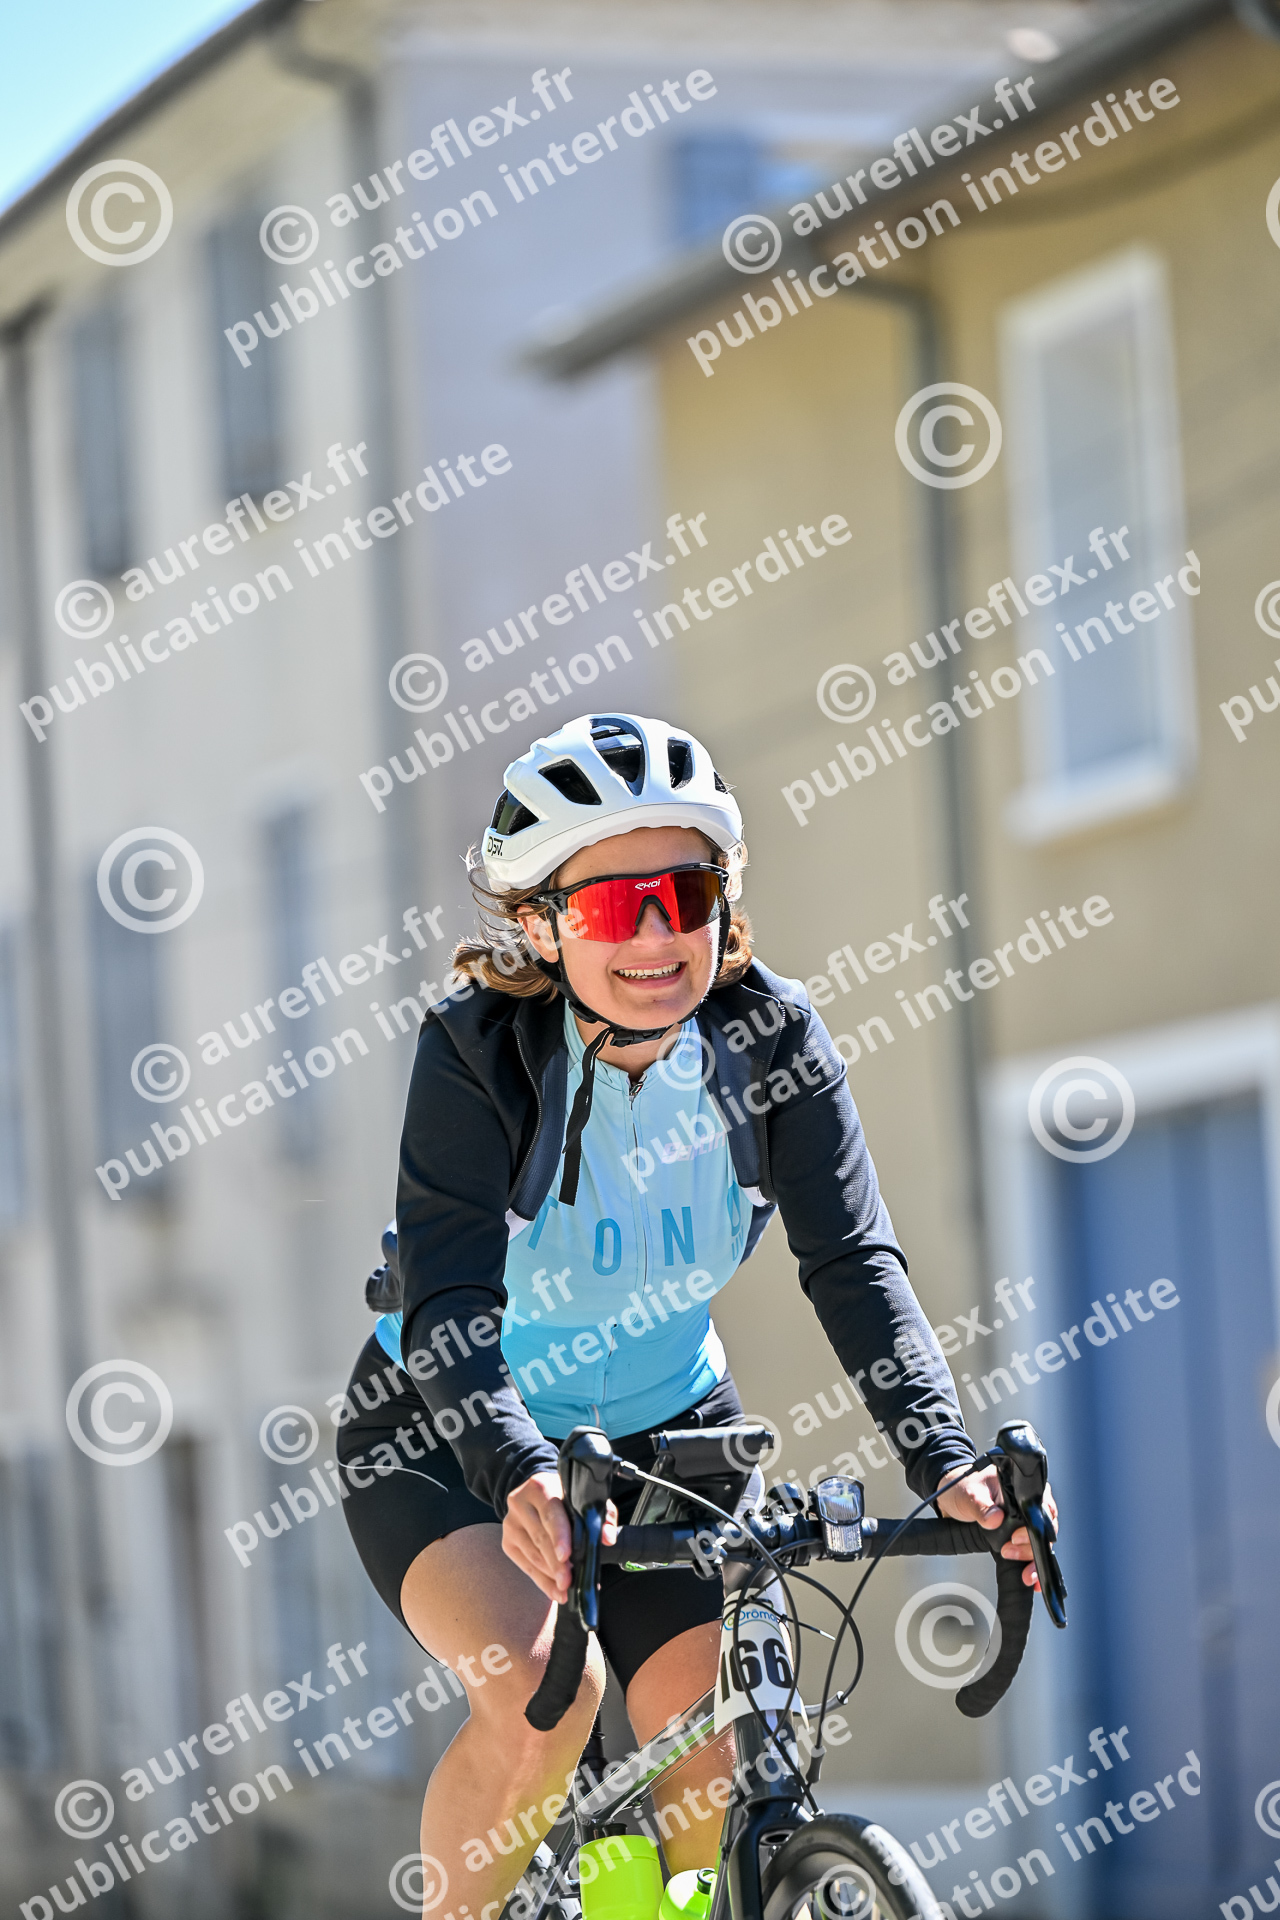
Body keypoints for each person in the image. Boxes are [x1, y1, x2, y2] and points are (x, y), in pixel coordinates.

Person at [336, 712, 1056, 1919]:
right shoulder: (476, 1054)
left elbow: (852, 1264)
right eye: (614, 906)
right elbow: (449, 1298)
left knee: (717, 1736)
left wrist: (944, 1460)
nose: (657, 934)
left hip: (669, 1434)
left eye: (687, 891)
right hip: (451, 1434)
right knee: (540, 1702)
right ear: (539, 924)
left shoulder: (770, 1039)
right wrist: (516, 1471)